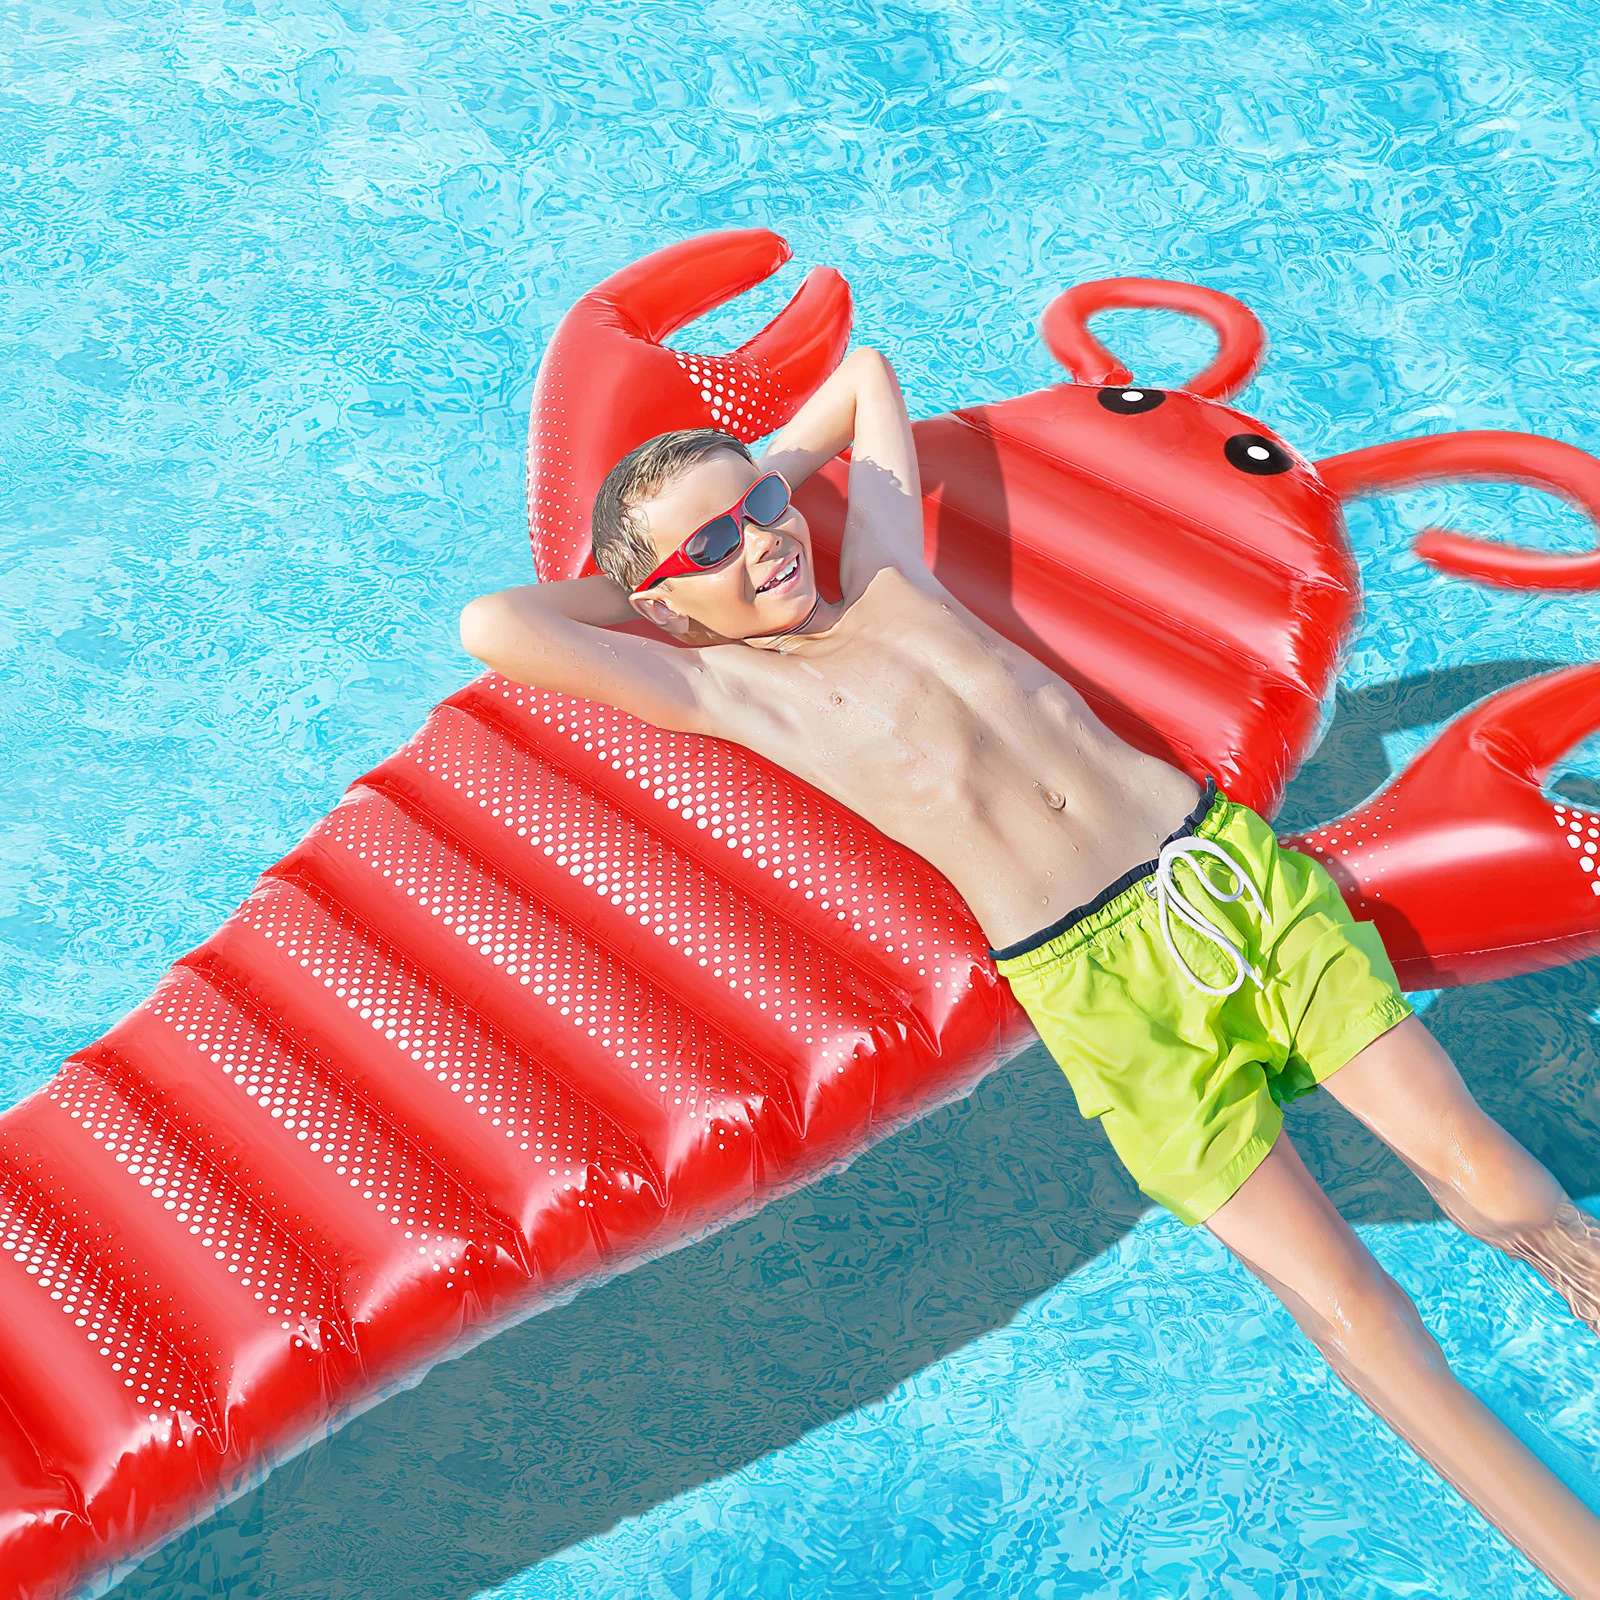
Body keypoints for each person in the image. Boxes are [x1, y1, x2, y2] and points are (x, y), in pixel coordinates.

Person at [460, 346, 1600, 1596]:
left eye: (765, 513)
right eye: (715, 548)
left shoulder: (886, 570)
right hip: (1097, 994)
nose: (761, 545)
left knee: (1491, 1178)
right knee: (1356, 1312)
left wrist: (751, 485)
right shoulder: (720, 689)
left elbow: (862, 377)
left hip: (1221, 884)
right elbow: (498, 624)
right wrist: (666, 570)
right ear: (665, 607)